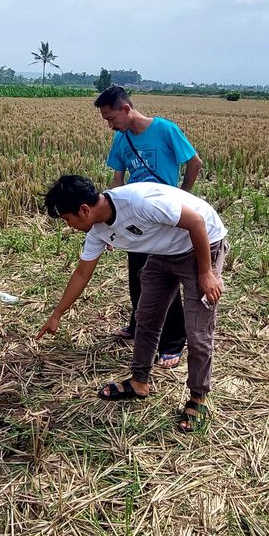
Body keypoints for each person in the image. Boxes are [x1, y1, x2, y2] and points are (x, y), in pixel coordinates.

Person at [36, 175, 228, 432]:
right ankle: (139, 382)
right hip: (164, 252)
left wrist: (206, 273)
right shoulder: (97, 230)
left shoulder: (139, 202)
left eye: (67, 219)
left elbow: (196, 222)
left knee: (197, 330)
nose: (68, 226)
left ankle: (198, 397)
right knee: (146, 316)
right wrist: (57, 314)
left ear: (84, 210)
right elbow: (82, 273)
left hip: (202, 242)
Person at [95, 85, 203, 369]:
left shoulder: (165, 130)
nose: (110, 125)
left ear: (126, 109)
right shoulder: (121, 140)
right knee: (137, 275)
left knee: (165, 280)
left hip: (165, 215)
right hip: (137, 217)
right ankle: (137, 325)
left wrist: (183, 195)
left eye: (111, 118)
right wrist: (113, 221)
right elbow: (118, 182)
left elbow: (194, 162)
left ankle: (172, 342)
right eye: (106, 120)